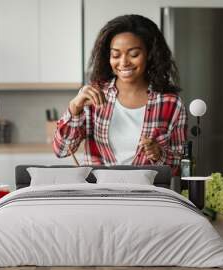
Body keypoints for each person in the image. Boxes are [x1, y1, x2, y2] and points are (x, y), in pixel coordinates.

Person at [53, 14, 187, 175]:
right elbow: (61, 151)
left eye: (134, 54)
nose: (123, 62)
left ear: (150, 54)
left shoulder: (171, 103)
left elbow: (180, 167)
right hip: (98, 196)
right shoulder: (94, 96)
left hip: (148, 198)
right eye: (116, 55)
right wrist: (74, 108)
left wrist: (159, 154)